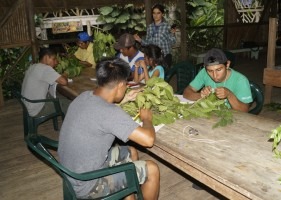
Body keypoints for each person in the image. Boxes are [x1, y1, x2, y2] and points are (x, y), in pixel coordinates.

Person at [58, 57, 160, 200]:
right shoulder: (109, 113)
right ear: (120, 85)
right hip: (88, 184)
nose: (126, 89)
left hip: (72, 172)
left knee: (131, 151)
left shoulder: (84, 96)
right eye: (125, 85)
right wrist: (146, 119)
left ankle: (127, 193)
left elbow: (102, 112)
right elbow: (148, 140)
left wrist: (124, 99)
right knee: (152, 169)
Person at [183, 48, 252, 112]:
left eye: (218, 70)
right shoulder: (204, 72)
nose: (215, 76)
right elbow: (186, 93)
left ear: (227, 64)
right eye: (210, 71)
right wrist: (201, 96)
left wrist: (229, 95)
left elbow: (245, 110)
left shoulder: (241, 80)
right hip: (211, 114)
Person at [21, 47, 68, 116]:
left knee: (60, 98)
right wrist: (66, 74)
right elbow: (64, 82)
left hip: (27, 106)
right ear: (46, 57)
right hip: (36, 109)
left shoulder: (33, 66)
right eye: (54, 59)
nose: (56, 62)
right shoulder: (45, 68)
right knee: (71, 104)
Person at [133, 3, 176, 68]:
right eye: (154, 13)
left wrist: (172, 33)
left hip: (165, 56)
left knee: (162, 76)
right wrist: (139, 40)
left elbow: (173, 42)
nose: (156, 15)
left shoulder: (166, 26)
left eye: (158, 13)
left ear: (162, 14)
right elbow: (148, 43)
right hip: (153, 57)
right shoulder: (149, 27)